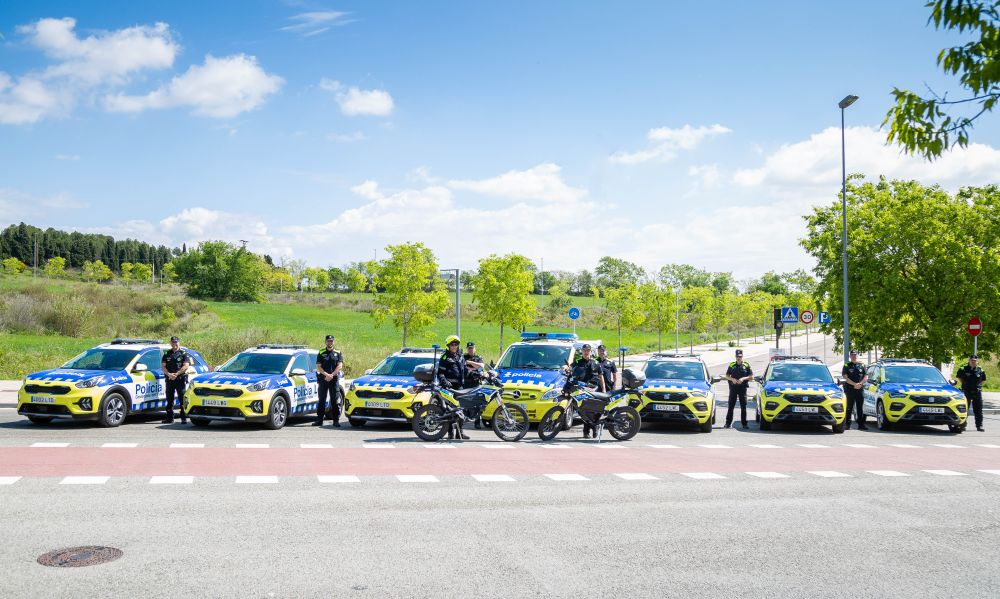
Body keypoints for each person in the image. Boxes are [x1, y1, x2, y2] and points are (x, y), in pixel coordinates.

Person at [569, 343, 605, 438]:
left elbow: (601, 376)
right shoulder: (577, 361)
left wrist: (604, 389)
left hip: (593, 389)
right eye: (584, 350)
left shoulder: (595, 363)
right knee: (582, 410)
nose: (586, 352)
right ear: (582, 351)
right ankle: (589, 429)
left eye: (588, 350)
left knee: (591, 410)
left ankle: (591, 428)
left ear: (590, 351)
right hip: (581, 388)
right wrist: (565, 368)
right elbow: (570, 368)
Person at [437, 335, 470, 440]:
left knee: (461, 410)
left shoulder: (460, 356)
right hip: (449, 388)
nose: (454, 346)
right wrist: (445, 381)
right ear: (448, 346)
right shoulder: (445, 357)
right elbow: (440, 373)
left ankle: (460, 433)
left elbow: (465, 370)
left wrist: (475, 374)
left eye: (456, 344)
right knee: (450, 411)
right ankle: (450, 433)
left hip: (459, 387)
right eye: (452, 344)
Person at [315, 335, 343, 427]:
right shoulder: (321, 352)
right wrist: (327, 375)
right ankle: (319, 420)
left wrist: (332, 375)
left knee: (334, 400)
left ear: (333, 342)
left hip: (333, 380)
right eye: (328, 341)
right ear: (325, 342)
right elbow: (318, 367)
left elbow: (340, 366)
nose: (330, 342)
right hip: (323, 379)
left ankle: (336, 420)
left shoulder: (338, 352)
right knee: (321, 400)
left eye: (331, 341)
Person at [161, 336, 191, 424]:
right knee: (169, 399)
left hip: (180, 380)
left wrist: (177, 374)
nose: (175, 344)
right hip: (170, 379)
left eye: (176, 342)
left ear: (179, 343)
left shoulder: (183, 353)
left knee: (182, 399)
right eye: (173, 342)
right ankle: (170, 418)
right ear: (171, 343)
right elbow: (163, 366)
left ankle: (183, 417)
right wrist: (169, 374)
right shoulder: (167, 354)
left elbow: (186, 366)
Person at [956, 354, 987, 432]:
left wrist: (978, 386)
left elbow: (983, 380)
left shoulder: (980, 370)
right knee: (964, 409)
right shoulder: (963, 369)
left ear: (977, 362)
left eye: (975, 361)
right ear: (969, 361)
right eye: (972, 361)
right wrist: (965, 385)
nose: (973, 362)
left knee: (978, 410)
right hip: (966, 391)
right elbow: (959, 377)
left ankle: (979, 426)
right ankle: (963, 425)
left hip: (977, 392)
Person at [725, 349, 752, 429]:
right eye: (737, 356)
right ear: (735, 356)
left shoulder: (746, 365)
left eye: (740, 356)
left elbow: (751, 377)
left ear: (742, 356)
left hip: (742, 388)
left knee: (743, 406)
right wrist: (732, 379)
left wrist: (743, 378)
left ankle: (744, 424)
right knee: (731, 406)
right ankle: (728, 423)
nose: (738, 358)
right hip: (733, 388)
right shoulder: (732, 365)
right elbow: (727, 375)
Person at [841, 350, 868, 430]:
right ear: (850, 356)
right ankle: (847, 424)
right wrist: (854, 384)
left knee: (860, 407)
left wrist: (860, 384)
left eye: (855, 355)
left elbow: (866, 376)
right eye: (852, 355)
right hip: (850, 389)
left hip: (860, 389)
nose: (854, 356)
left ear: (857, 356)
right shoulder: (846, 365)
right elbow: (845, 377)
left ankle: (861, 425)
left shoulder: (862, 365)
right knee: (849, 407)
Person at [463, 341, 486, 427]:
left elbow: (481, 366)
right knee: (465, 403)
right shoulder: (463, 357)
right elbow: (463, 367)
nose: (470, 350)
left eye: (472, 348)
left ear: (475, 349)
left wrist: (469, 363)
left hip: (475, 382)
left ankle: (477, 423)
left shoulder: (478, 357)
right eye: (469, 348)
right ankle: (465, 420)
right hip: (466, 383)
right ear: (467, 349)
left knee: (477, 403)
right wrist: (473, 368)